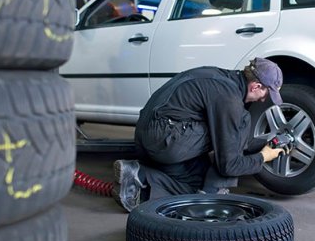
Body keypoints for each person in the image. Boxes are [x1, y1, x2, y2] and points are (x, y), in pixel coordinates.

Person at [111, 57, 286, 212]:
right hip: (164, 140)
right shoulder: (229, 99)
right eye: (266, 93)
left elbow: (233, 140)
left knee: (197, 183)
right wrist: (263, 157)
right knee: (242, 119)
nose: (264, 99)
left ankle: (138, 175)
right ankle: (214, 194)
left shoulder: (220, 77)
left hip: (148, 137)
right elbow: (229, 165)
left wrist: (265, 144)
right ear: (256, 86)